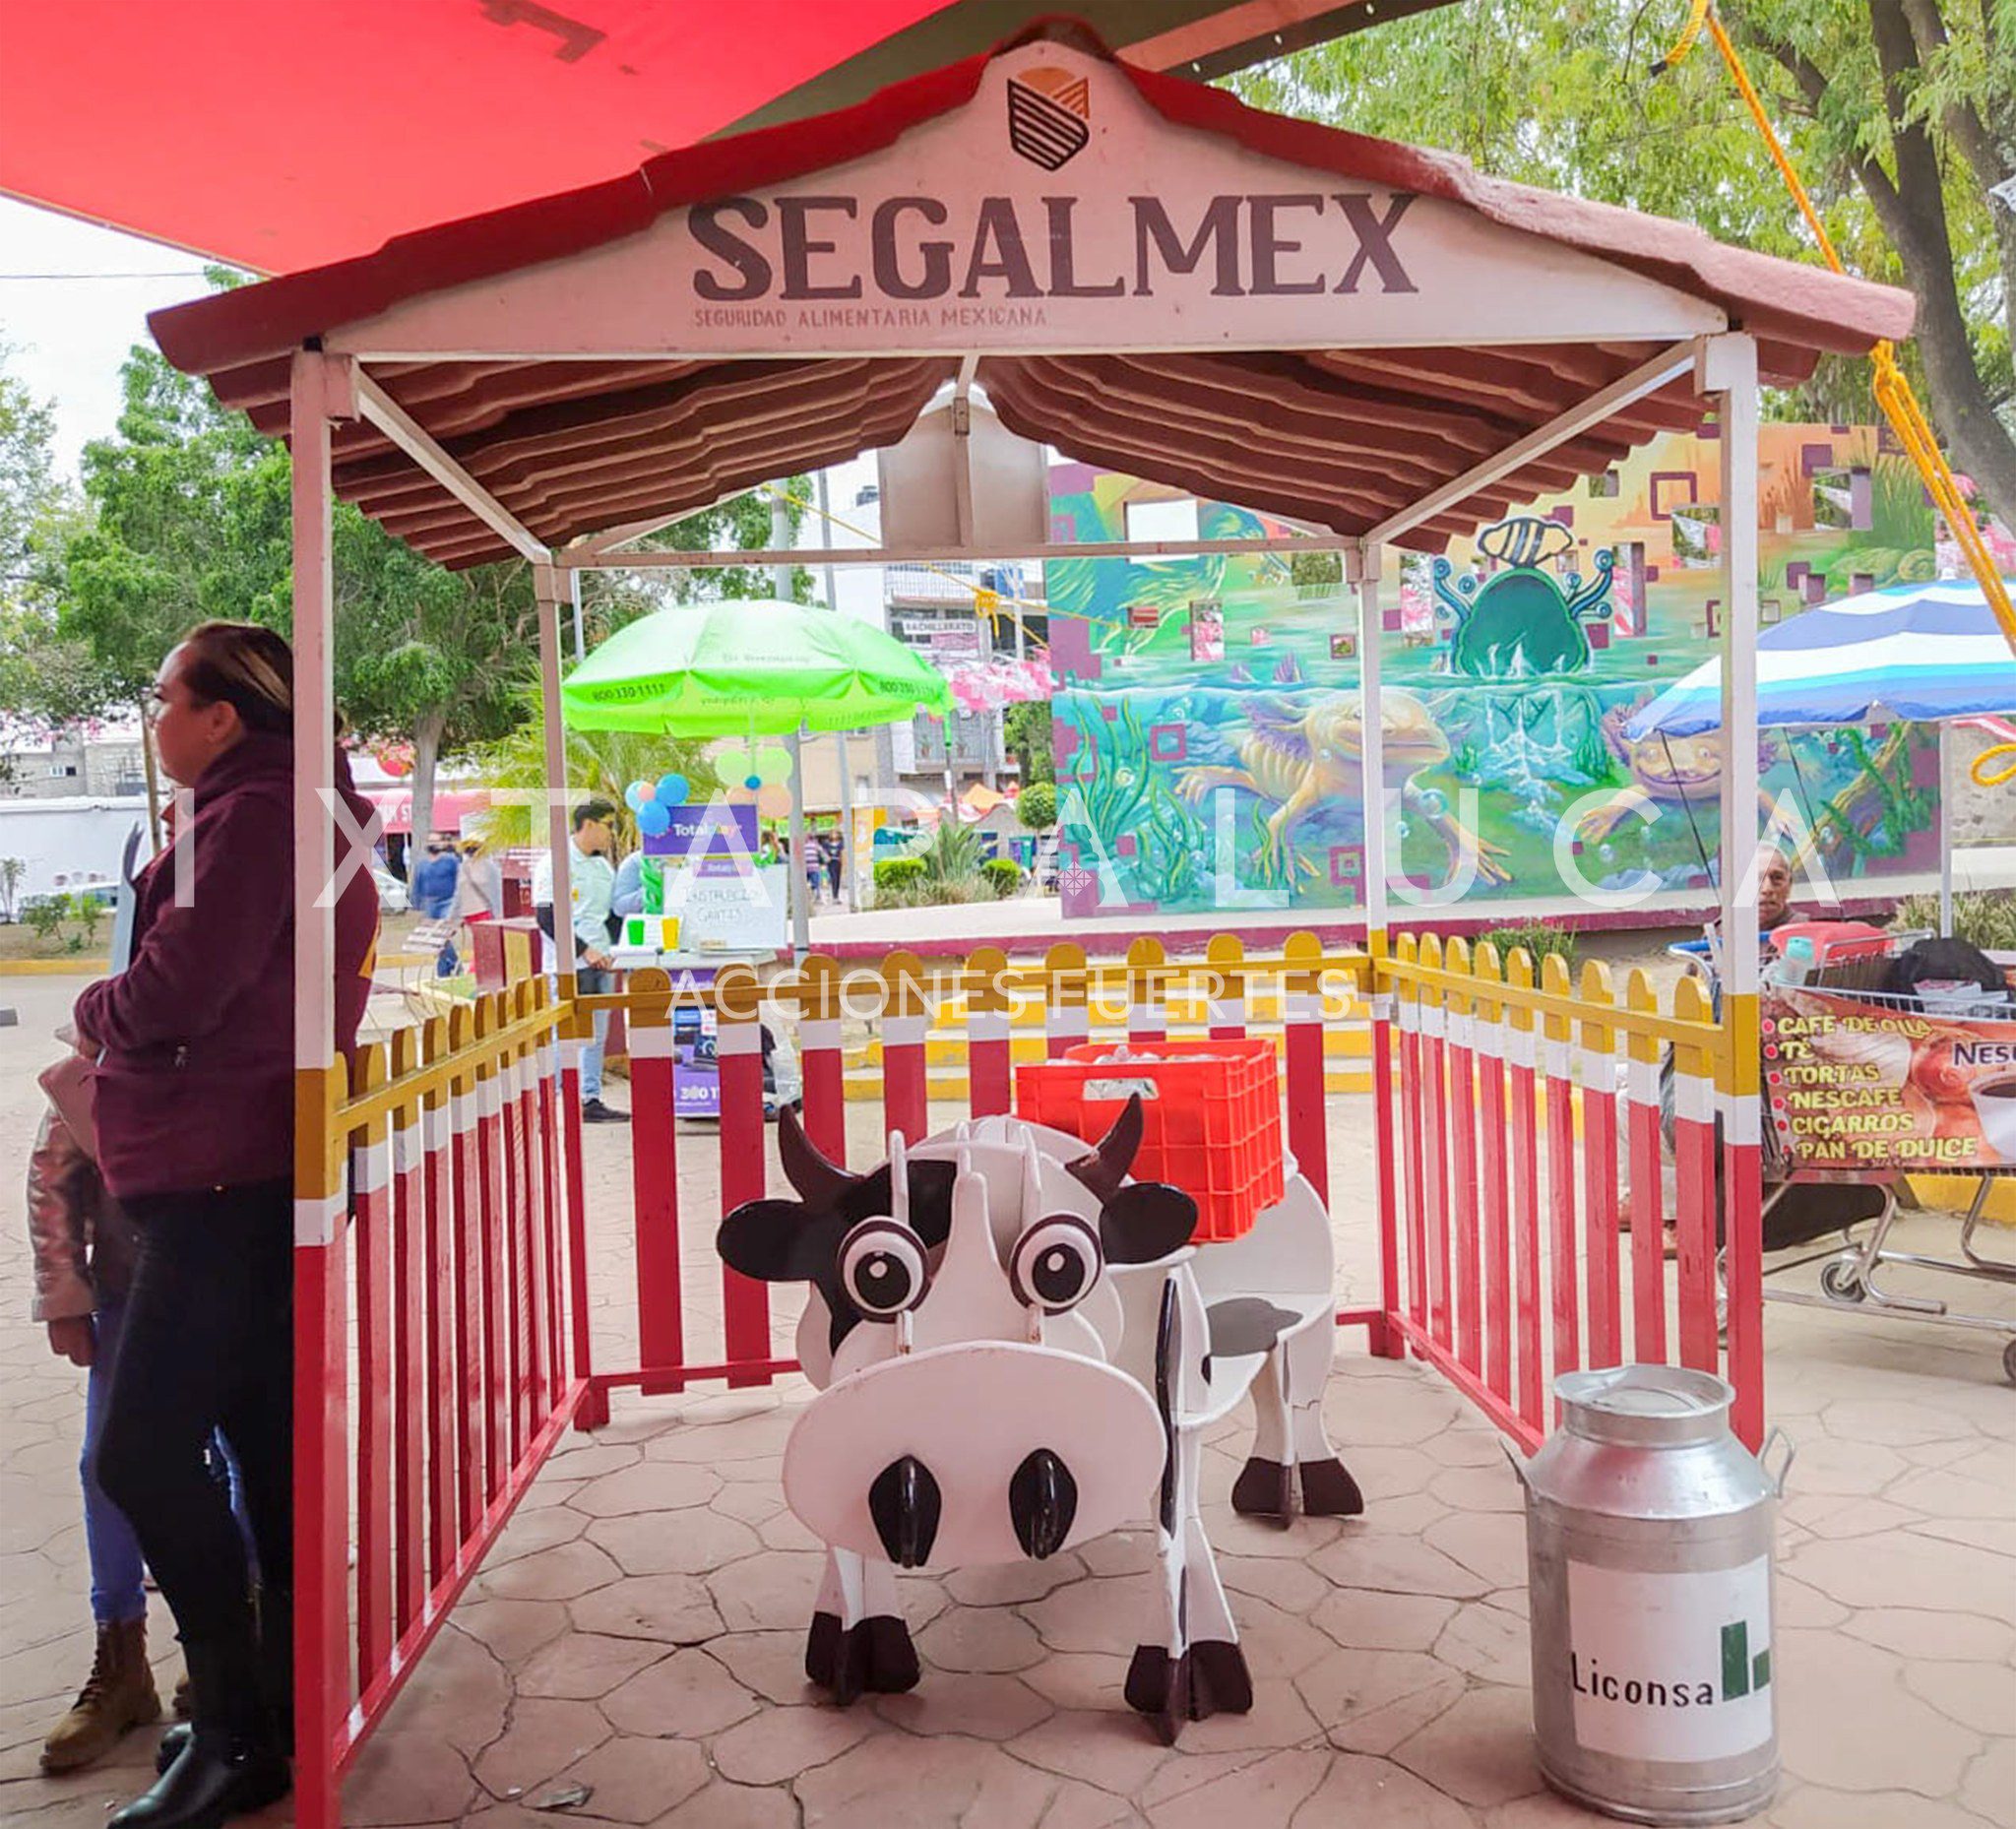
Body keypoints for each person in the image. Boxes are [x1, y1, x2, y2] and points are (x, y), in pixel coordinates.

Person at [75, 621, 379, 1829]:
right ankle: (275, 1706)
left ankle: (245, 1731)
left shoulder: (249, 819)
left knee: (140, 1454)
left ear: (220, 717)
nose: (153, 720)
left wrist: (96, 1007)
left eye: (163, 698)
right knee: (260, 1443)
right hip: (254, 1168)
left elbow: (174, 988)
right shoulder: (302, 808)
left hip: (218, 1175)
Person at [27, 1043, 157, 1774]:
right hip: (127, 1289)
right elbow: (52, 1179)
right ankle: (120, 1655)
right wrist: (65, 1298)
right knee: (104, 1464)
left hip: (228, 1281)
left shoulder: (249, 1013)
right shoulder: (106, 1031)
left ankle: (242, 1642)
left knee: (243, 1459)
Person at [532, 800, 626, 1123]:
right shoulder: (555, 863)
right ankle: (552, 1098)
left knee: (597, 1035)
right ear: (588, 824)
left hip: (602, 963)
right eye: (608, 825)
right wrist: (584, 950)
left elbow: (610, 915)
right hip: (571, 965)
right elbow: (546, 915)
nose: (612, 833)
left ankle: (590, 1098)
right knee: (569, 1034)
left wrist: (615, 949)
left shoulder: (603, 867)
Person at [411, 835, 462, 976]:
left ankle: (452, 966)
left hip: (448, 902)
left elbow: (460, 881)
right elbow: (417, 885)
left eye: (436, 841)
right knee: (436, 938)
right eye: (431, 841)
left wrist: (458, 905)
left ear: (442, 844)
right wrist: (417, 906)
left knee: (443, 934)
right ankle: (448, 966)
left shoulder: (451, 861)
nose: (434, 843)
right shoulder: (422, 865)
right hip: (430, 904)